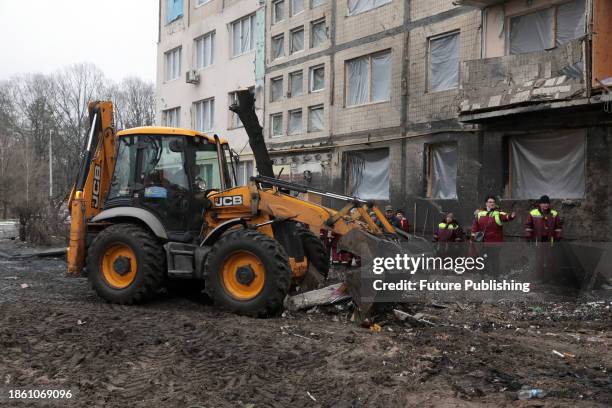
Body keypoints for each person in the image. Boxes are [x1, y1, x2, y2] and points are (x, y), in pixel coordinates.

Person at [471, 196, 515, 275]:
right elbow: (475, 226)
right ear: (486, 203)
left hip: (495, 242)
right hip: (483, 241)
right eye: (490, 202)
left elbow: (506, 216)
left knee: (495, 259)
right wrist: (473, 237)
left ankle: (495, 277)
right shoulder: (480, 213)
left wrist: (511, 216)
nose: (492, 203)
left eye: (493, 202)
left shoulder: (498, 213)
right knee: (483, 259)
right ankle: (482, 276)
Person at [525, 195, 562, 280]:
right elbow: (528, 225)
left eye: (547, 203)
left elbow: (558, 227)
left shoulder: (554, 213)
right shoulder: (533, 213)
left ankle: (551, 278)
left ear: (549, 204)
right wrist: (528, 236)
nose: (545, 205)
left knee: (551, 260)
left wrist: (558, 237)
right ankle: (539, 278)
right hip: (538, 240)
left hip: (550, 240)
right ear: (540, 204)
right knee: (539, 260)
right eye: (543, 203)